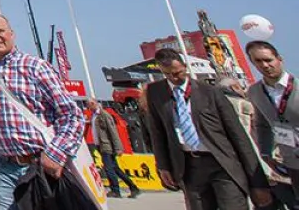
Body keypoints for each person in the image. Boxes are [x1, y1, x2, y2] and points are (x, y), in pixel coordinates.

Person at [0, 13, 83, 210]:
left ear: (12, 33)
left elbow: (71, 114)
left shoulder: (36, 66)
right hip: (4, 170)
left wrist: (55, 153)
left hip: (40, 166)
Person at [143, 47, 271, 210]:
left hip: (221, 162)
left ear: (185, 67)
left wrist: (258, 182)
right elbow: (157, 132)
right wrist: (163, 165)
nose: (174, 78)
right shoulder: (156, 92)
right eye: (168, 74)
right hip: (189, 166)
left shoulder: (210, 93)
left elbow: (238, 135)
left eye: (178, 72)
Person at [245, 41, 298, 209]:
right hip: (291, 160)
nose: (265, 65)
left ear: (279, 59)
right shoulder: (255, 92)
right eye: (258, 61)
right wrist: (266, 152)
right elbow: (262, 124)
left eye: (268, 60)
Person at [86, 97, 141, 199]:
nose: (89, 106)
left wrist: (118, 148)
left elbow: (113, 132)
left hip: (107, 147)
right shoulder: (94, 116)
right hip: (100, 146)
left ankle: (115, 190)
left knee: (109, 169)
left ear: (95, 103)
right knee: (116, 169)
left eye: (91, 104)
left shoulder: (104, 115)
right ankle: (133, 187)